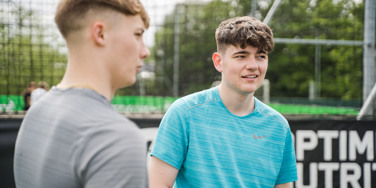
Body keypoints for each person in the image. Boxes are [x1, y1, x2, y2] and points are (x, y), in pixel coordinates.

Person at [14, 0, 150, 187]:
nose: (145, 51)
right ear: (100, 34)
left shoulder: (37, 111)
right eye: (138, 34)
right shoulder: (116, 139)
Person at [149, 16, 298, 188]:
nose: (253, 65)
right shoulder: (184, 114)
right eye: (241, 56)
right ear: (219, 62)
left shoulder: (279, 126)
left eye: (260, 56)